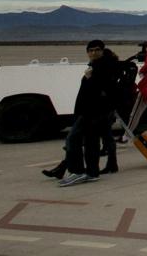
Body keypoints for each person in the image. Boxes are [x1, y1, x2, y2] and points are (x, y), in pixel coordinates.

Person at [59, 40, 120, 187]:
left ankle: (78, 171)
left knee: (72, 139)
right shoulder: (99, 66)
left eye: (96, 50)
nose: (93, 53)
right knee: (91, 142)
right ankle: (92, 172)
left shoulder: (102, 68)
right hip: (95, 112)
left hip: (92, 112)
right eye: (90, 50)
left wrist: (88, 79)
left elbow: (100, 89)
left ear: (102, 51)